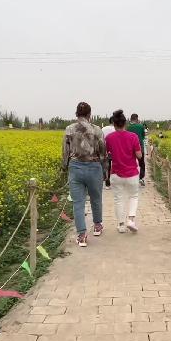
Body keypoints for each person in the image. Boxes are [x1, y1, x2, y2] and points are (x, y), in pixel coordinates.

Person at [62, 101, 106, 248]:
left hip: (76, 168)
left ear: (76, 114)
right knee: (96, 198)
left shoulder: (69, 129)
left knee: (78, 203)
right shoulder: (97, 130)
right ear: (89, 115)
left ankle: (81, 236)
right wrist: (104, 170)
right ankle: (98, 226)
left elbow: (65, 151)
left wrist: (64, 167)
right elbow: (102, 152)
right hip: (94, 167)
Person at [105, 112, 143, 232]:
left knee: (118, 199)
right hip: (132, 173)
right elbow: (139, 155)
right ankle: (131, 220)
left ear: (114, 124)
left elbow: (105, 154)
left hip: (116, 173)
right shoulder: (133, 137)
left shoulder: (109, 138)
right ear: (125, 123)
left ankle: (121, 225)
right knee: (133, 196)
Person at [128, 113, 147, 185]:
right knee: (141, 164)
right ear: (137, 118)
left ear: (131, 119)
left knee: (131, 163)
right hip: (140, 148)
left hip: (130, 148)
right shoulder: (141, 126)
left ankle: (130, 178)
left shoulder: (128, 127)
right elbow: (143, 136)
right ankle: (141, 178)